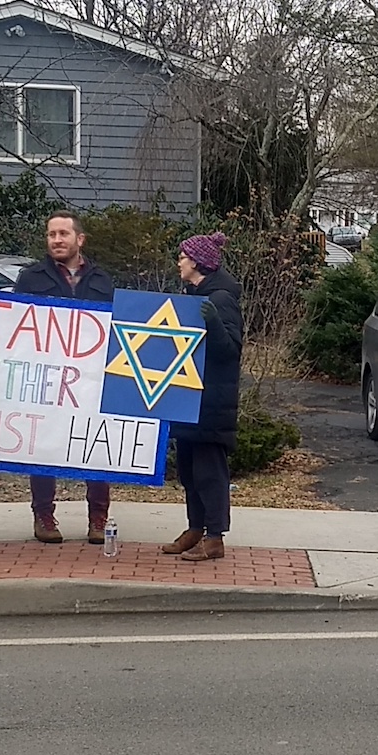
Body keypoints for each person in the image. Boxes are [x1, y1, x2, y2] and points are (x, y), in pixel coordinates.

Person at [13, 209, 117, 543]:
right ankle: (44, 515)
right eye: (51, 235)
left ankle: (98, 519)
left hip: (91, 380)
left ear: (79, 239)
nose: (57, 240)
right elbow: (13, 327)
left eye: (63, 234)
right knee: (42, 447)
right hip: (46, 379)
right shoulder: (30, 279)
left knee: (96, 446)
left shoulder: (102, 280)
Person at [160, 232, 241, 563]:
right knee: (189, 471)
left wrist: (214, 325)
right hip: (188, 398)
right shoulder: (192, 294)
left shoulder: (221, 300)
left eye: (182, 256)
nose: (178, 261)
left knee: (210, 473)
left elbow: (230, 351)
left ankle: (214, 537)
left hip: (211, 403)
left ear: (196, 262)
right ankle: (195, 528)